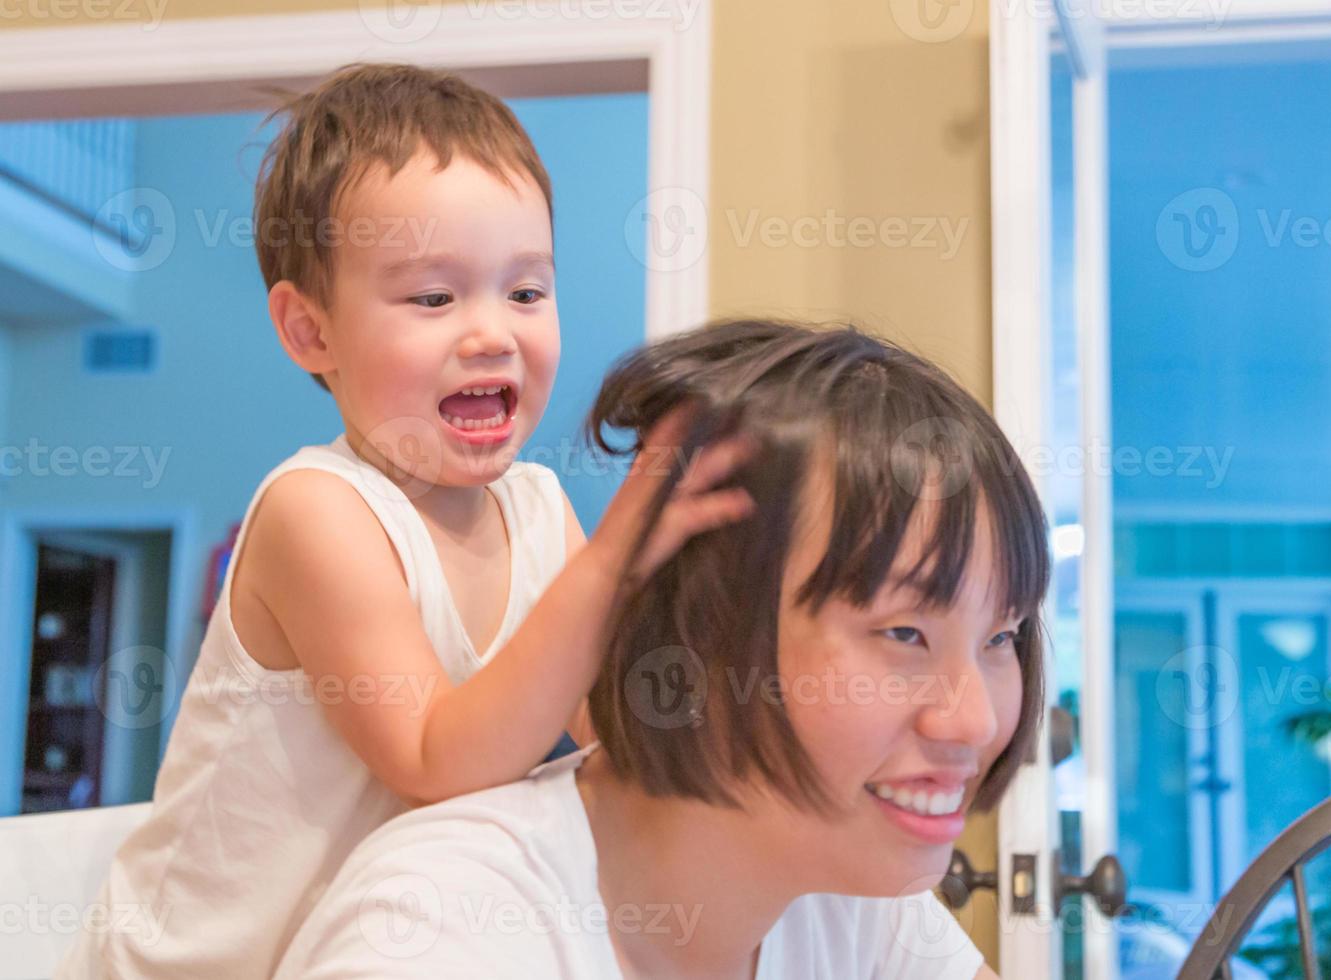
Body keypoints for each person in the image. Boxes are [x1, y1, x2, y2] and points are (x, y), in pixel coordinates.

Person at [54, 64, 754, 979]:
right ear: (311, 334)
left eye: (527, 292)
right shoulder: (318, 513)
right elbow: (432, 756)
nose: (492, 333)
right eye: (434, 297)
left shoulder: (539, 510)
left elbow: (611, 730)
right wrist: (613, 566)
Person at [273, 318, 1051, 979]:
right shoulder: (441, 930)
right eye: (905, 634)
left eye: (1001, 637)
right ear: (705, 633)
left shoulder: (858, 904)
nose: (975, 721)